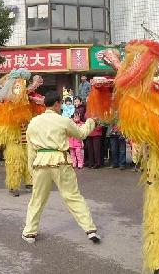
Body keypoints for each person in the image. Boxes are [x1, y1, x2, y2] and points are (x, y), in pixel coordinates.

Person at [22, 91, 101, 244]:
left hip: (40, 162)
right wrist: (91, 121)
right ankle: (90, 230)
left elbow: (30, 150)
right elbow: (81, 134)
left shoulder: (34, 122)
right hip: (61, 160)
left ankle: (30, 232)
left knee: (37, 199)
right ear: (57, 104)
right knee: (73, 196)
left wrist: (32, 171)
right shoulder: (63, 121)